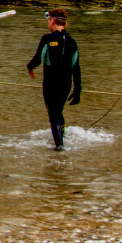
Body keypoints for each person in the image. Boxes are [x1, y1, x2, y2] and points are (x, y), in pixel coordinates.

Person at [27, 8, 81, 150]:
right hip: (66, 83)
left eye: (48, 21)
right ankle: (62, 138)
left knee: (54, 113)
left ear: (52, 21)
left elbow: (38, 59)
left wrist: (29, 67)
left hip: (51, 82)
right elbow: (76, 68)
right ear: (66, 24)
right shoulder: (72, 42)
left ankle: (59, 147)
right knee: (58, 110)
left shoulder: (47, 38)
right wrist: (77, 90)